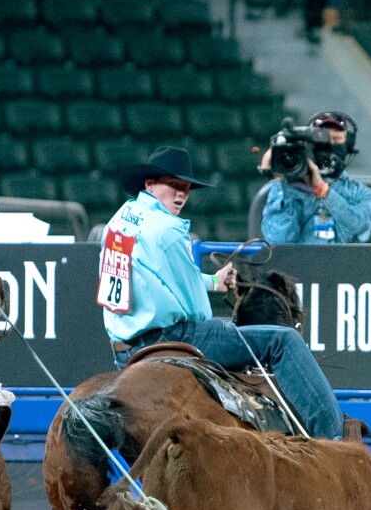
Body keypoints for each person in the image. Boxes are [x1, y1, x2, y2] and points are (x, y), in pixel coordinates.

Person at [99, 146, 344, 440]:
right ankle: (335, 441)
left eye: (186, 188)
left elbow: (161, 275)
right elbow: (196, 310)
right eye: (174, 185)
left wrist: (214, 280)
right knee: (283, 341)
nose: (181, 195)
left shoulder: (121, 219)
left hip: (123, 349)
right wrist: (217, 318)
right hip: (169, 338)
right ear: (150, 184)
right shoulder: (167, 230)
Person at [260, 111, 371, 245]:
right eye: (324, 139)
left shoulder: (361, 194)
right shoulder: (289, 190)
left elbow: (357, 227)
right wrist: (280, 179)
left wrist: (323, 191)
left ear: (348, 145)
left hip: (345, 264)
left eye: (337, 139)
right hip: (300, 265)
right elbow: (278, 240)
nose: (330, 145)